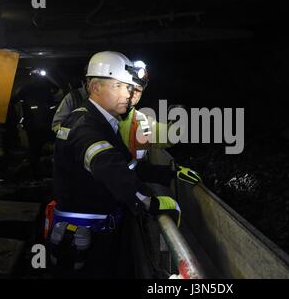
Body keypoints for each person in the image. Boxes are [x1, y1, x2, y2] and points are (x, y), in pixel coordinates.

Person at [50, 51, 181, 278]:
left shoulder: (104, 122)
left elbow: (127, 165)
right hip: (86, 238)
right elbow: (108, 167)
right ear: (94, 87)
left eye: (129, 87)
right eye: (119, 86)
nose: (128, 94)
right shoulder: (85, 125)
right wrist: (149, 201)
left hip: (102, 230)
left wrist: (170, 172)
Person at [51, 56, 201, 186]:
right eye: (130, 88)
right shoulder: (91, 117)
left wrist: (179, 121)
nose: (132, 95)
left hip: (124, 194)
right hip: (95, 194)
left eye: (138, 91)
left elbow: (166, 137)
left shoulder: (141, 121)